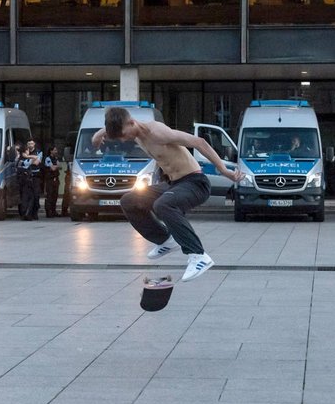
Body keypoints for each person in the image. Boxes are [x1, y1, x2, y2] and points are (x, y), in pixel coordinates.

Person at [92, 107, 242, 282]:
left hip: (195, 183)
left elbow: (199, 142)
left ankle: (199, 255)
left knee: (163, 205)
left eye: (124, 135)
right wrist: (98, 136)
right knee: (129, 200)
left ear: (132, 123)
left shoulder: (158, 132)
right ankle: (165, 240)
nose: (125, 139)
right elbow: (114, 126)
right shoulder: (130, 128)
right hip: (174, 184)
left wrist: (225, 171)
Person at [17, 141, 41, 220]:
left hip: (21, 181)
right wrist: (27, 156)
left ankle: (24, 214)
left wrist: (24, 155)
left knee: (24, 197)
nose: (28, 151)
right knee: (29, 198)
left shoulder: (19, 159)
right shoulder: (27, 161)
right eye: (27, 150)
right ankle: (27, 214)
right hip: (27, 181)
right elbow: (36, 158)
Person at [43, 145, 61, 218]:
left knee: (55, 196)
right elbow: (53, 168)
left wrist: (56, 166)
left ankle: (54, 211)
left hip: (56, 179)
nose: (56, 151)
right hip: (50, 180)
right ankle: (48, 212)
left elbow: (60, 167)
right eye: (55, 150)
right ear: (51, 151)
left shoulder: (55, 158)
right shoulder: (48, 159)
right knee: (49, 196)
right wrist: (56, 166)